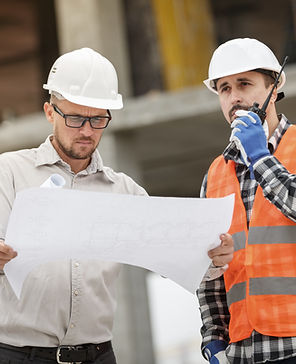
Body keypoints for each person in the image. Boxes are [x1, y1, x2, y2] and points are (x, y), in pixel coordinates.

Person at [0, 47, 233, 364]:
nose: (86, 131)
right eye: (75, 118)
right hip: (18, 356)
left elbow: (176, 259)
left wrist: (212, 258)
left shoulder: (124, 191)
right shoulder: (9, 173)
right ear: (49, 112)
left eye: (98, 119)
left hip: (98, 355)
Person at [197, 37, 296, 364]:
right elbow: (208, 272)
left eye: (244, 83)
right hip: (242, 353)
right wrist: (213, 336)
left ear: (274, 87)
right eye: (224, 89)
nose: (234, 97)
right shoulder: (214, 175)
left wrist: (259, 157)